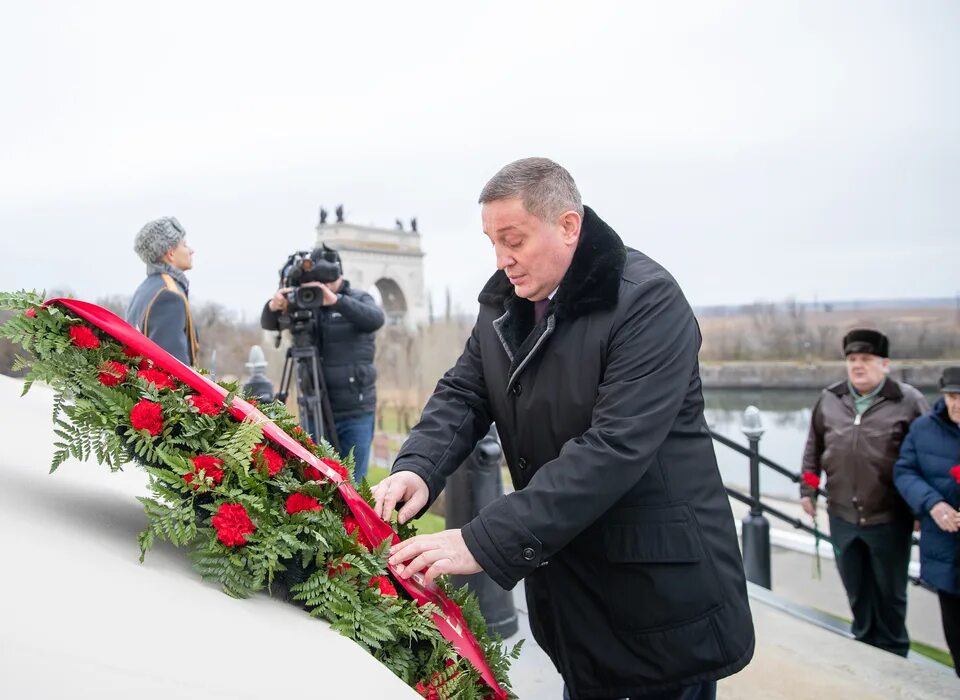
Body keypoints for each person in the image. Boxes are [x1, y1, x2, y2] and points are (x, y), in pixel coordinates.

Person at [372, 158, 754, 699]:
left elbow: (614, 447)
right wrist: (418, 468)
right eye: (492, 242)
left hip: (657, 594)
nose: (503, 259)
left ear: (568, 226)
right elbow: (464, 392)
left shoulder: (647, 300)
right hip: (573, 592)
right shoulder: (505, 302)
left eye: (514, 240)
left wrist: (482, 541)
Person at [799, 329, 928, 656]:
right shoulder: (830, 398)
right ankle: (866, 647)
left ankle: (895, 653)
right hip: (842, 515)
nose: (858, 366)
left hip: (889, 516)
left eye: (866, 359)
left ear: (884, 364)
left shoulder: (908, 401)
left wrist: (920, 510)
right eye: (852, 359)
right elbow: (814, 447)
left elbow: (927, 456)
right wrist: (808, 490)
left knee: (891, 594)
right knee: (856, 588)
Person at [261, 251, 384, 483]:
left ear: (340, 275)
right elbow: (269, 323)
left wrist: (336, 300)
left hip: (355, 411)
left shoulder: (358, 298)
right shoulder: (305, 300)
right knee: (315, 481)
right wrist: (274, 305)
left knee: (354, 484)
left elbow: (375, 319)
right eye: (318, 284)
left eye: (328, 283)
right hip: (311, 405)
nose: (322, 288)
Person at [894, 366, 960, 674]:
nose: (956, 404)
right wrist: (932, 504)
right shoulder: (923, 429)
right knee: (956, 636)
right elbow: (904, 471)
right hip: (946, 553)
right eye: (951, 396)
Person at [126, 217, 199, 366]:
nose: (191, 251)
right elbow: (174, 369)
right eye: (184, 245)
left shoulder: (145, 289)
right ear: (171, 253)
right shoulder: (169, 294)